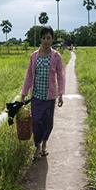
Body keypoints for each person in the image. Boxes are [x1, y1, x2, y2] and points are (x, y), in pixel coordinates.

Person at [21, 26, 65, 159]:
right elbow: (29, 75)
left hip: (50, 97)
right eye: (43, 38)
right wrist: (23, 94)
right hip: (36, 97)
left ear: (52, 40)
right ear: (41, 39)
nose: (46, 41)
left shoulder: (56, 56)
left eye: (48, 38)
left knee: (48, 123)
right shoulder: (34, 56)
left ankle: (44, 144)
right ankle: (37, 147)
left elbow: (60, 75)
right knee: (36, 122)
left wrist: (61, 93)